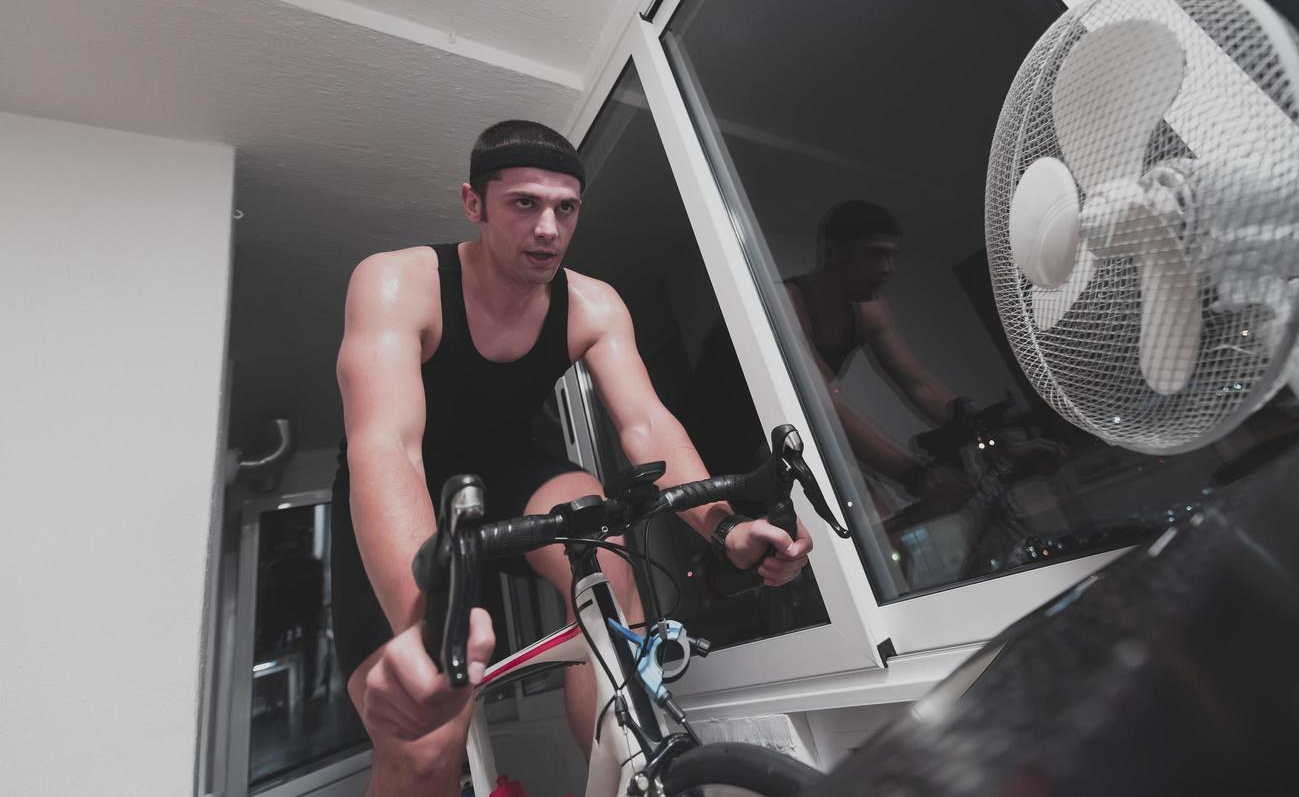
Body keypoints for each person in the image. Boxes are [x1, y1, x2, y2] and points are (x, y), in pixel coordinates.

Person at [329, 120, 814, 796]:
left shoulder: (592, 304)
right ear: (474, 204)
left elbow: (645, 423)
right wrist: (426, 626)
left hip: (509, 470)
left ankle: (628, 772)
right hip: (401, 492)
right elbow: (387, 446)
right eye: (524, 203)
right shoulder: (397, 282)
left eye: (565, 208)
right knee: (426, 741)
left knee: (604, 545)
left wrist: (726, 527)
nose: (549, 228)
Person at [782, 200, 970, 503]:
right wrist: (914, 475)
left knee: (874, 501)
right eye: (875, 254)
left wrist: (982, 430)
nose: (888, 269)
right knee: (867, 502)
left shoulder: (869, 311)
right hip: (745, 431)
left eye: (892, 256)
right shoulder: (789, 303)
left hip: (795, 429)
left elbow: (919, 385)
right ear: (835, 251)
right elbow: (824, 404)